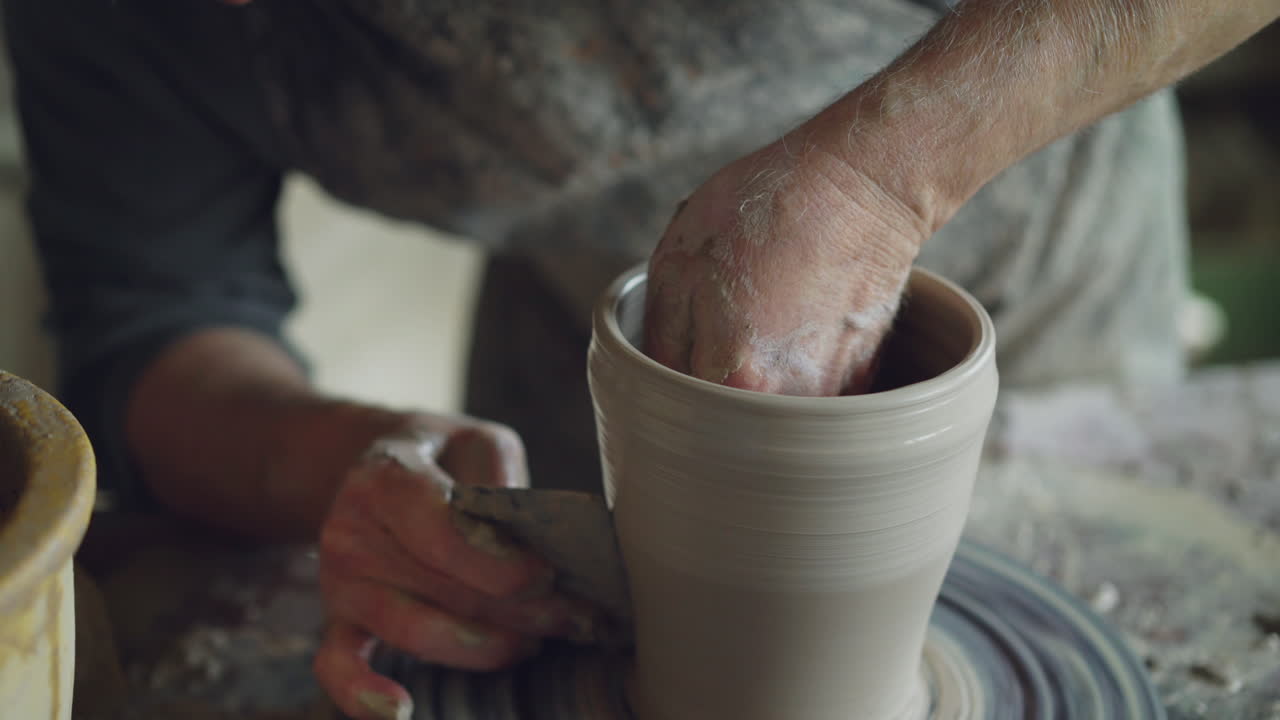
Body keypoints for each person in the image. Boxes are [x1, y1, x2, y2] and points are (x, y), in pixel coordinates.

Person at [3, 0, 1275, 718]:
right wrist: (343, 462)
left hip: (1014, 233)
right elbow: (155, 318)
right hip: (595, 336)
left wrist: (876, 183)